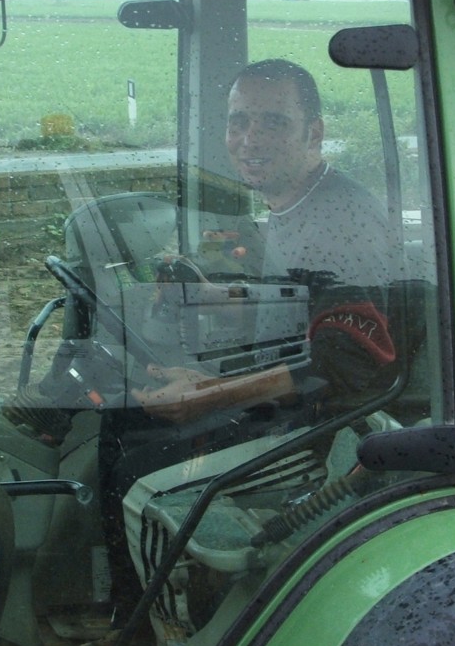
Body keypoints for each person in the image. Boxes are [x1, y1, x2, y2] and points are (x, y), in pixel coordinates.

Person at [132, 58, 398, 424]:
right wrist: (215, 296)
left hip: (319, 429)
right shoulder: (292, 204)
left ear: (314, 134)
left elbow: (347, 361)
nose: (250, 139)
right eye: (238, 122)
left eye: (274, 122)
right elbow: (299, 306)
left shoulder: (344, 217)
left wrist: (210, 395)